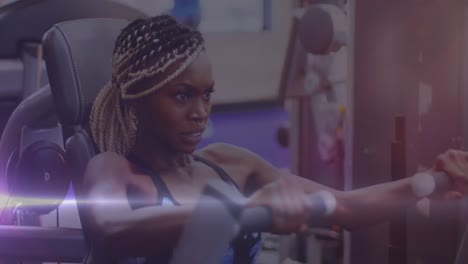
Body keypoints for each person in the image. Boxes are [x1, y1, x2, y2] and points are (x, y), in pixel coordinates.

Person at [83, 15, 468, 264]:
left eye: (207, 94)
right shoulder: (117, 170)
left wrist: (432, 184)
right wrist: (242, 211)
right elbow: (111, 230)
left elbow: (347, 208)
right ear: (139, 98)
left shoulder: (229, 163)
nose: (200, 111)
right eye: (182, 96)